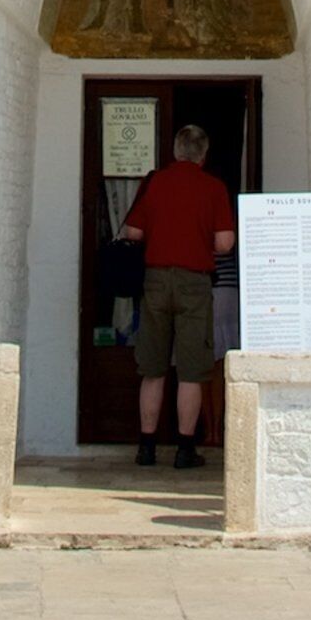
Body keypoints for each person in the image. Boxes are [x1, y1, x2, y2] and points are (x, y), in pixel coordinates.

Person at [117, 122, 236, 468]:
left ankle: (147, 446)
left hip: (155, 279)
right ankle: (185, 448)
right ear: (203, 155)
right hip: (194, 282)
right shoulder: (212, 187)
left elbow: (133, 230)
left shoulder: (155, 183)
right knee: (192, 369)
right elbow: (225, 242)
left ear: (175, 150)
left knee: (152, 366)